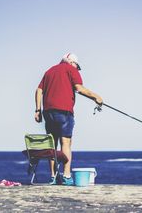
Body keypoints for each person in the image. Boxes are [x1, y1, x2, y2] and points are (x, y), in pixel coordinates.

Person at [34, 53, 103, 185]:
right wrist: (96, 97)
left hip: (48, 112)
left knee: (52, 144)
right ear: (72, 62)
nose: (77, 69)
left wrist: (38, 110)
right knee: (66, 143)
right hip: (64, 111)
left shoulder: (49, 71)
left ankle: (53, 177)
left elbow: (38, 90)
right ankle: (66, 176)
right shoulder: (71, 69)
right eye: (77, 66)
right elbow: (79, 88)